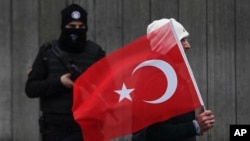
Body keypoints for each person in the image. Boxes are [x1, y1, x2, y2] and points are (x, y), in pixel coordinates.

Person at [25, 4, 105, 141]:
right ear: (63, 27)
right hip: (55, 130)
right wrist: (59, 83)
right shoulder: (48, 51)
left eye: (81, 27)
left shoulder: (95, 53)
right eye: (72, 27)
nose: (77, 30)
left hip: (86, 127)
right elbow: (31, 88)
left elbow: (108, 88)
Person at [132, 18, 215, 141]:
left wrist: (191, 121)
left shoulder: (166, 73)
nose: (188, 46)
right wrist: (195, 126)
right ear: (166, 43)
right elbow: (153, 132)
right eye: (182, 40)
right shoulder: (157, 77)